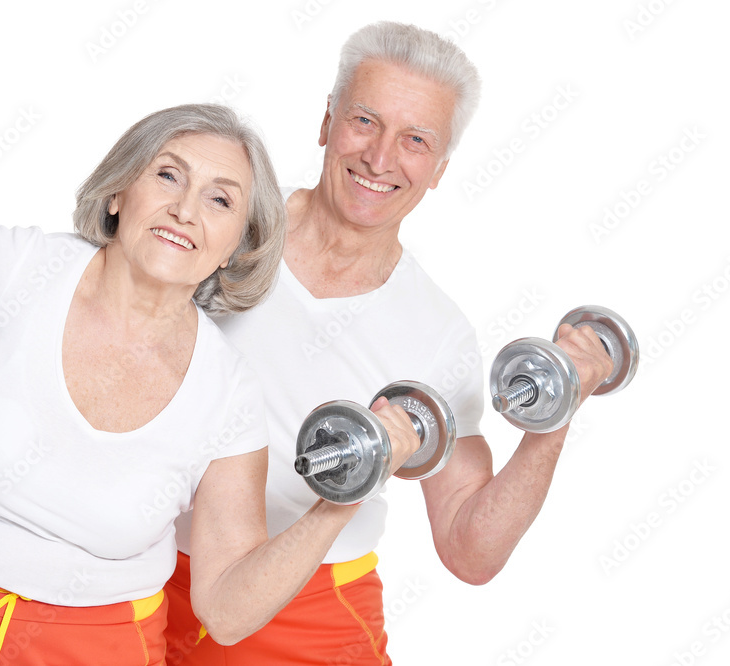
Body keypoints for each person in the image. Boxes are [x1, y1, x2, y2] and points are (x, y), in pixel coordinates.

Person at [0, 103, 420, 665]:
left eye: (220, 200)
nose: (185, 209)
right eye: (168, 176)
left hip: (102, 644)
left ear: (237, 247)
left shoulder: (228, 395)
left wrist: (342, 500)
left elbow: (227, 613)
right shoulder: (14, 269)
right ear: (120, 192)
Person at [163, 23, 616, 664]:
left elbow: (469, 552)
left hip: (311, 611)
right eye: (365, 121)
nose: (380, 158)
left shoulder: (436, 332)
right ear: (326, 123)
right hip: (139, 574)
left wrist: (555, 418)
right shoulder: (220, 229)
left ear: (438, 169)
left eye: (416, 140)